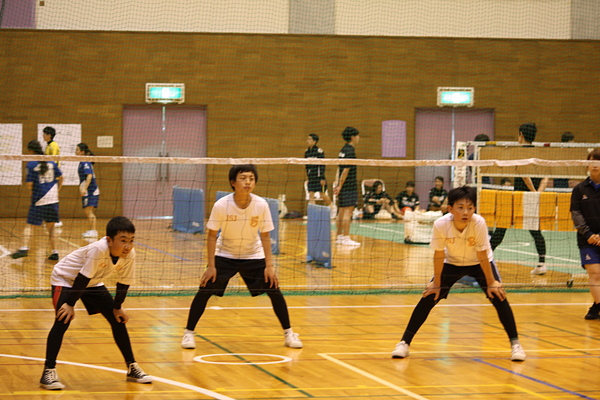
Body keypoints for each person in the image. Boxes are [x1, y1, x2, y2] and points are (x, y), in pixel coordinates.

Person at [391, 186, 526, 361]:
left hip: (479, 263)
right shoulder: (441, 224)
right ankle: (404, 343)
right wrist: (437, 282)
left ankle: (516, 344)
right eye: (460, 207)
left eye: (470, 208)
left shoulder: (479, 223)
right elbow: (439, 254)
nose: (466, 212)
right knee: (429, 296)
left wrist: (492, 282)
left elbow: (482, 254)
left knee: (499, 296)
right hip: (452, 262)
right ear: (450, 209)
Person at [182, 164, 303, 350]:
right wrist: (212, 266)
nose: (248, 182)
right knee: (205, 289)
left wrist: (269, 266)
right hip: (225, 254)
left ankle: (289, 334)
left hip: (253, 255)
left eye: (251, 178)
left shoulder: (261, 205)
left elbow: (265, 236)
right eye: (243, 178)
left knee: (274, 288)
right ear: (233, 182)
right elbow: (212, 235)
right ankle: (188, 334)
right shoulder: (221, 205)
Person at [40, 216, 152, 390]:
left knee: (118, 320)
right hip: (66, 279)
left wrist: (117, 307)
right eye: (123, 241)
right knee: (63, 319)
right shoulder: (99, 249)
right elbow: (82, 278)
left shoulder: (130, 254)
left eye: (131, 240)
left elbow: (124, 282)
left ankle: (132, 367)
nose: (128, 246)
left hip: (92, 282)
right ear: (109, 240)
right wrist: (69, 304)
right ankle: (48, 371)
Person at [489, 123, 548, 275]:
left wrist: (533, 192)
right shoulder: (539, 152)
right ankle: (542, 264)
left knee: (501, 228)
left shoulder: (519, 152)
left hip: (518, 197)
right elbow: (546, 176)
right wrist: (538, 193)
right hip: (532, 197)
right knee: (535, 231)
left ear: (520, 134)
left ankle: (485, 260)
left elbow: (523, 174)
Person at [11, 140, 63, 261]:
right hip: (53, 199)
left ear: (30, 151)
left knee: (30, 225)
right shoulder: (51, 162)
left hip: (39, 199)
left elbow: (29, 184)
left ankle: (24, 248)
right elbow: (61, 178)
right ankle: (55, 252)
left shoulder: (31, 164)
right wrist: (57, 191)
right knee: (51, 228)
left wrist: (32, 190)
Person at [570, 148, 600, 320]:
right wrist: (588, 233)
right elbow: (576, 214)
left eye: (598, 161)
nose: (595, 165)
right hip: (586, 239)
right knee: (595, 273)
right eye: (592, 161)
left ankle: (595, 308)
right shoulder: (579, 189)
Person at [333, 127, 361, 246]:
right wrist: (340, 185)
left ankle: (339, 236)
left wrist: (337, 183)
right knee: (347, 212)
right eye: (357, 136)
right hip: (348, 185)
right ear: (353, 137)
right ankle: (345, 237)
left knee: (341, 211)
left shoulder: (343, 150)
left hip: (343, 185)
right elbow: (345, 170)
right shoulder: (350, 151)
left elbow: (338, 169)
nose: (359, 138)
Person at [76, 143, 100, 238]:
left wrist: (85, 188)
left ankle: (93, 231)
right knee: (87, 211)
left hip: (91, 191)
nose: (75, 152)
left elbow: (89, 176)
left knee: (89, 211)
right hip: (88, 191)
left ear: (82, 152)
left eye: (77, 150)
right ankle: (91, 230)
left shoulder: (85, 162)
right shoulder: (83, 162)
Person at [43, 126, 63, 227]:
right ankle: (50, 218)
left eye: (44, 134)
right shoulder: (48, 146)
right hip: (48, 175)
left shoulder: (53, 145)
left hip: (53, 175)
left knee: (53, 198)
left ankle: (57, 220)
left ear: (49, 135)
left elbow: (54, 161)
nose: (43, 136)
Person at [305, 133, 332, 206]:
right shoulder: (307, 152)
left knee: (322, 195)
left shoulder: (319, 151)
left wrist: (322, 178)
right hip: (311, 178)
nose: (307, 141)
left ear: (314, 141)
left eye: (309, 139)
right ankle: (312, 214)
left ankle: (332, 208)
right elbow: (306, 166)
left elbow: (322, 165)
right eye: (307, 139)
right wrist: (308, 177)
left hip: (319, 178)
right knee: (311, 196)